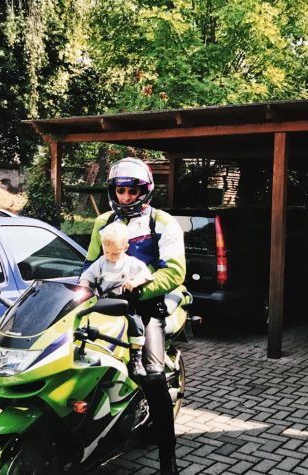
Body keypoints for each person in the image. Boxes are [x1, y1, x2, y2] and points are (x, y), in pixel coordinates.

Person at [82, 157, 186, 475]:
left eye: (131, 190)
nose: (125, 196)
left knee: (152, 375)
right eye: (120, 190)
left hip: (146, 304)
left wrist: (137, 290)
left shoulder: (163, 222)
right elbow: (88, 266)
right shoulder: (102, 224)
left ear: (145, 191)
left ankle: (168, 457)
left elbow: (175, 271)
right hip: (108, 305)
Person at [79, 221, 154, 378]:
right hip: (102, 302)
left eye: (115, 253)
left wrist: (134, 282)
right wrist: (85, 285)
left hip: (123, 303)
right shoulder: (101, 262)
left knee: (135, 323)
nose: (110, 257)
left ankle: (136, 357)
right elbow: (87, 275)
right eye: (107, 252)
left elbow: (147, 275)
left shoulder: (131, 263)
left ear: (125, 248)